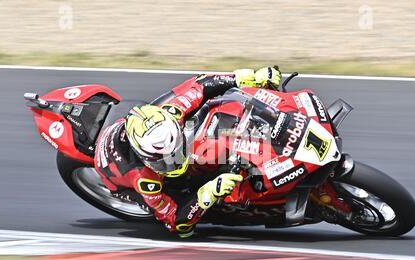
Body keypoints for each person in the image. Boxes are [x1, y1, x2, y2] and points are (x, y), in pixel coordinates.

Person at [94, 66, 282, 238]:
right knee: (189, 192)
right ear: (147, 158)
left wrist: (245, 78)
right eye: (163, 160)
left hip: (133, 125)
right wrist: (209, 192)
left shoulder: (172, 112)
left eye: (175, 149)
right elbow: (177, 224)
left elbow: (201, 84)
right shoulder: (144, 180)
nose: (174, 161)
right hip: (116, 180)